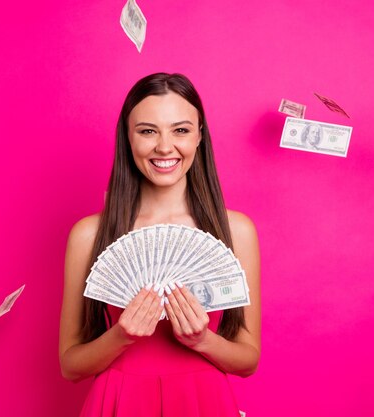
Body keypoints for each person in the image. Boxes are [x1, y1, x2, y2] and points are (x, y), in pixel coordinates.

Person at [59, 73, 261, 416]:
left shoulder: (236, 231)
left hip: (203, 403)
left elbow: (248, 361)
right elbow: (70, 366)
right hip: (119, 403)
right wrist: (121, 335)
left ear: (200, 136)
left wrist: (202, 340)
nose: (164, 147)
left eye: (180, 130)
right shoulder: (89, 236)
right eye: (147, 131)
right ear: (128, 138)